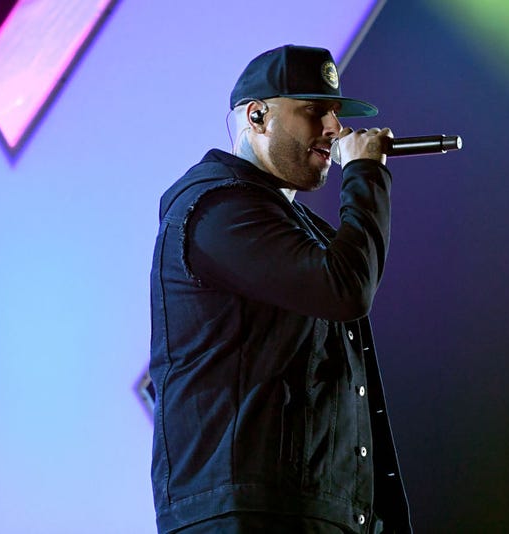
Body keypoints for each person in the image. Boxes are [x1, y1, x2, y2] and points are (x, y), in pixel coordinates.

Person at [149, 44, 411, 534]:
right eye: (314, 111)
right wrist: (366, 174)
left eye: (335, 113)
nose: (334, 129)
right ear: (257, 116)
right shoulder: (218, 210)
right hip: (246, 517)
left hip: (316, 514)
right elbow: (347, 288)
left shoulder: (301, 229)